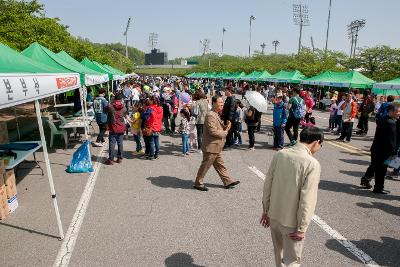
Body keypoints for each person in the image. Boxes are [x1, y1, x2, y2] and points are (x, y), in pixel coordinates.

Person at [260, 127, 323, 267]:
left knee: (279, 254)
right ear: (316, 142)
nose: (319, 148)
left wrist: (266, 211)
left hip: (274, 216)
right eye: (320, 145)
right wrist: (302, 227)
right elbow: (307, 199)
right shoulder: (312, 164)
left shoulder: (281, 154)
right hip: (292, 223)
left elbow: (268, 184)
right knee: (292, 261)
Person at [193, 95, 240, 191]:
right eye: (220, 103)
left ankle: (228, 181)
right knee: (205, 166)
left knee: (220, 165)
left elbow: (218, 127)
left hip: (216, 146)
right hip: (211, 146)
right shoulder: (210, 115)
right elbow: (212, 131)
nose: (222, 105)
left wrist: (226, 126)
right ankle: (198, 183)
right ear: (214, 103)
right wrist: (225, 132)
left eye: (223, 103)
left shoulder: (216, 114)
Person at [360, 103, 400, 194]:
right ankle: (378, 188)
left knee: (375, 166)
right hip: (383, 151)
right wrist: (394, 153)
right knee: (381, 170)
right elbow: (392, 141)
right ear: (391, 111)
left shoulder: (383, 119)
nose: (399, 113)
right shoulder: (391, 123)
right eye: (397, 112)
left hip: (376, 149)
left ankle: (367, 180)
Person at [105, 94, 127, 165]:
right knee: (120, 143)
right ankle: (120, 158)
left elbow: (104, 110)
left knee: (112, 143)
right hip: (121, 126)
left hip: (113, 126)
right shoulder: (123, 107)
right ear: (121, 99)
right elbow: (125, 113)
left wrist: (110, 103)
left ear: (114, 99)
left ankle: (111, 159)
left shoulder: (110, 106)